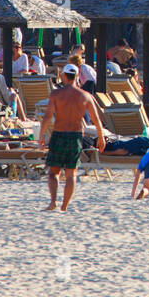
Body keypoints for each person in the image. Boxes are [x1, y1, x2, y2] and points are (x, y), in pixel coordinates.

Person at [39, 64, 104, 212]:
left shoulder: (56, 94)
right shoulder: (85, 96)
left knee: (54, 172)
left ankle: (53, 202)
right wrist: (101, 137)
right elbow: (96, 119)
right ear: (76, 76)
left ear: (64, 76)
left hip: (58, 135)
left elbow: (48, 116)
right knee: (71, 173)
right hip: (75, 136)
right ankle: (64, 206)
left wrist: (41, 135)